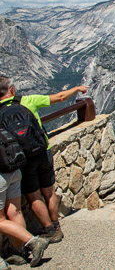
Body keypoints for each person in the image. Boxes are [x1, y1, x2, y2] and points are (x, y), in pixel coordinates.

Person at [0, 76, 88, 244]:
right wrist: (77, 88)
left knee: (34, 197)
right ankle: (56, 225)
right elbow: (60, 97)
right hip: (43, 151)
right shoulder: (28, 101)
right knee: (49, 192)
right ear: (11, 90)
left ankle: (47, 229)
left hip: (22, 159)